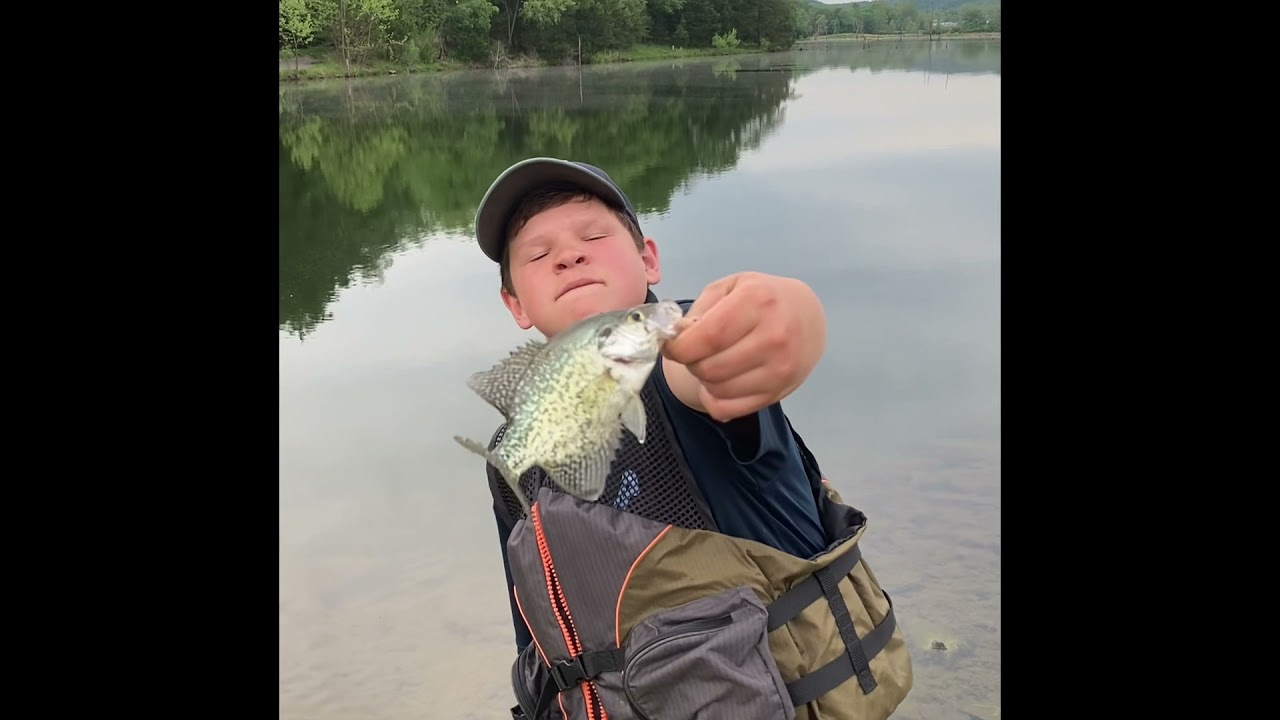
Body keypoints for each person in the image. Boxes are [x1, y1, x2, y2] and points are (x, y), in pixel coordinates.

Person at [470, 157, 912, 720]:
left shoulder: (678, 356)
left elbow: (722, 347)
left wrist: (791, 316)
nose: (569, 254)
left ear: (648, 258)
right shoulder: (517, 448)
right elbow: (536, 638)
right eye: (538, 253)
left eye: (595, 235)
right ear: (516, 305)